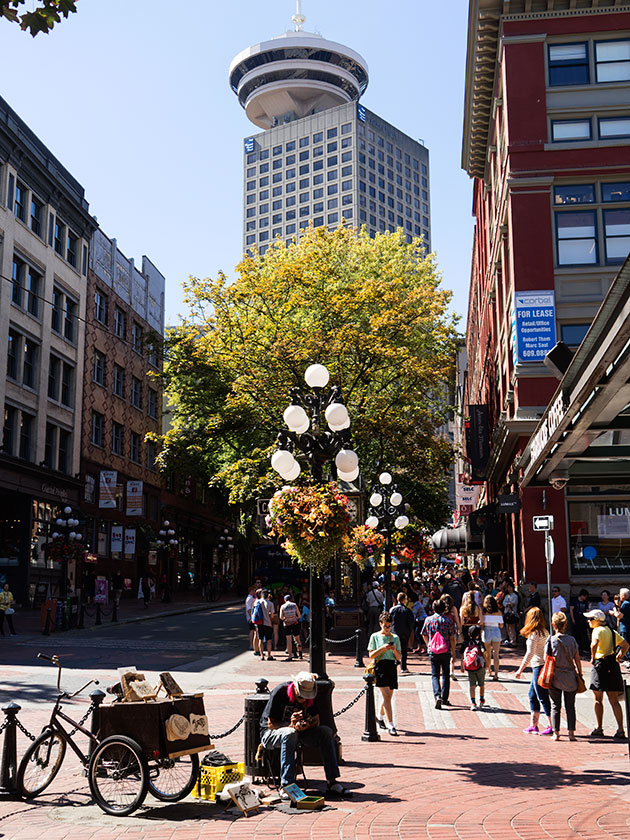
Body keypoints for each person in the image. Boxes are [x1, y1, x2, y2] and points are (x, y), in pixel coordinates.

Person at [260, 671, 348, 798]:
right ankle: (286, 786)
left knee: (326, 732)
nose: (304, 700)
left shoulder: (311, 696)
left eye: (307, 697)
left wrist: (307, 725)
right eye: (301, 697)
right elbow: (271, 724)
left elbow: (316, 720)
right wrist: (290, 725)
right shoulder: (280, 692)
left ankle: (332, 782)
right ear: (295, 688)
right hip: (271, 734)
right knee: (290, 733)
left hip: (299, 732)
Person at [585, 608, 629, 738]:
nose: (589, 621)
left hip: (600, 665)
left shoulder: (596, 631)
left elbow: (594, 645)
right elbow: (625, 645)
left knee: (598, 699)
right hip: (612, 664)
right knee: (614, 700)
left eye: (591, 619)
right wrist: (619, 656)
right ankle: (621, 729)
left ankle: (599, 727)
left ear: (597, 620)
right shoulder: (611, 631)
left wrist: (592, 657)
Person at [515, 607, 553, 736]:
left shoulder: (533, 634)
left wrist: (520, 669)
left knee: (542, 697)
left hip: (538, 666)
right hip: (543, 665)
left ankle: (551, 725)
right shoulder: (545, 631)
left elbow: (530, 653)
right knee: (532, 695)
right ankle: (533, 725)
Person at [548, 611, 582, 741]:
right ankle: (571, 733)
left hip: (555, 675)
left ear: (553, 625)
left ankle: (556, 733)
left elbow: (547, 659)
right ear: (565, 625)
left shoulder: (551, 640)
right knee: (570, 706)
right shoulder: (572, 640)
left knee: (555, 705)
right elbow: (577, 659)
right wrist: (579, 673)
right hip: (570, 676)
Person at [367, 611, 401, 735]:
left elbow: (398, 657)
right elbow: (371, 655)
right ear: (380, 624)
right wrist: (382, 648)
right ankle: (391, 725)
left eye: (389, 626)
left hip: (391, 666)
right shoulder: (375, 637)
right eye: (385, 626)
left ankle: (380, 717)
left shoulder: (395, 638)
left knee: (388, 696)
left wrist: (393, 649)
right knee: (386, 696)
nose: (387, 628)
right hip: (380, 666)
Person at [422, 599, 456, 709]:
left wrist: (429, 644)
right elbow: (452, 637)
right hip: (445, 650)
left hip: (433, 651)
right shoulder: (448, 620)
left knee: (435, 674)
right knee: (445, 674)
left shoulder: (428, 620)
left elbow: (423, 633)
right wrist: (454, 652)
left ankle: (437, 695)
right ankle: (445, 698)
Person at [389, 592, 415, 674]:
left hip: (394, 632)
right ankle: (403, 667)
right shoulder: (407, 611)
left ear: (397, 599)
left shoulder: (392, 609)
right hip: (404, 632)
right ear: (404, 599)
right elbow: (411, 623)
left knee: (393, 649)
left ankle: (393, 665)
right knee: (404, 650)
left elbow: (389, 620)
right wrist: (409, 630)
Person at [461, 625, 486, 710]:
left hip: (469, 667)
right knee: (481, 684)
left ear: (469, 634)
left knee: (472, 686)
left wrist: (462, 665)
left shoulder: (466, 643)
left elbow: (462, 654)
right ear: (478, 634)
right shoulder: (479, 643)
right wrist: (486, 663)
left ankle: (473, 703)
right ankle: (482, 700)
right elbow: (483, 652)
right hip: (480, 666)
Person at [481, 595, 503, 680]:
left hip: (487, 631)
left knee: (488, 654)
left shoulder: (484, 612)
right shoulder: (499, 612)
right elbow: (501, 625)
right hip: (496, 631)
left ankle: (489, 670)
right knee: (496, 654)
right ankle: (496, 674)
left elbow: (482, 623)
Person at [280, 593, 303, 661]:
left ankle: (290, 656)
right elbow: (299, 615)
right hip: (295, 623)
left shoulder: (283, 606)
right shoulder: (294, 605)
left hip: (287, 624)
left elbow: (281, 617)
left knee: (289, 640)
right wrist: (295, 618)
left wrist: (285, 618)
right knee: (297, 639)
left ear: (285, 600)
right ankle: (300, 654)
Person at [502, 582, 520, 647]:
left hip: (512, 613)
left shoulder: (515, 596)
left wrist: (508, 604)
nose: (509, 589)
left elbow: (513, 604)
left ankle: (513, 641)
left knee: (512, 628)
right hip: (506, 613)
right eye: (508, 587)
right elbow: (504, 603)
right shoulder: (507, 596)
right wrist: (508, 604)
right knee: (507, 627)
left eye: (510, 587)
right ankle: (510, 640)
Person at [245, 585, 259, 656]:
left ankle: (254, 645)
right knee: (252, 631)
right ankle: (251, 645)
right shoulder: (249, 598)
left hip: (251, 617)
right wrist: (252, 617)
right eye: (254, 591)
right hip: (251, 618)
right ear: (251, 591)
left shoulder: (251, 598)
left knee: (253, 631)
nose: (255, 592)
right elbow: (249, 609)